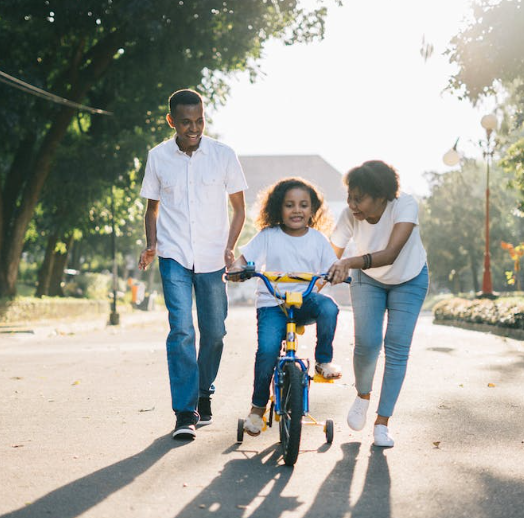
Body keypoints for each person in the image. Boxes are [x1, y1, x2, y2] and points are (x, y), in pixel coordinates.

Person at [138, 89, 247, 440]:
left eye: (199, 120)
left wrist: (230, 247)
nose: (194, 128)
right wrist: (152, 245)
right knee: (182, 330)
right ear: (172, 121)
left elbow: (239, 208)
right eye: (186, 122)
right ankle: (185, 412)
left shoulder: (223, 155)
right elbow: (152, 208)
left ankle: (203, 392)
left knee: (214, 333)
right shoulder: (158, 157)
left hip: (214, 257)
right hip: (173, 256)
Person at [228, 177, 342, 436]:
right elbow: (243, 260)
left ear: (313, 210)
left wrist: (336, 273)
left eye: (303, 205)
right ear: (279, 208)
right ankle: (257, 409)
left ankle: (323, 361)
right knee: (268, 351)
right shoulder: (268, 236)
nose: (297, 210)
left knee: (329, 308)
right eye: (289, 205)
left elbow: (331, 267)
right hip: (272, 303)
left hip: (304, 301)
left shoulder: (318, 239)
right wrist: (237, 269)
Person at [326, 160, 429, 448]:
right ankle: (362, 396)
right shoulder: (350, 215)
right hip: (368, 280)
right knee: (367, 343)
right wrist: (313, 283)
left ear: (381, 196)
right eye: (349, 196)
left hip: (409, 278)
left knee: (397, 346)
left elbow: (392, 253)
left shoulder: (404, 206)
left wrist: (349, 262)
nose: (352, 204)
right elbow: (329, 256)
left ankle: (382, 423)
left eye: (359, 198)